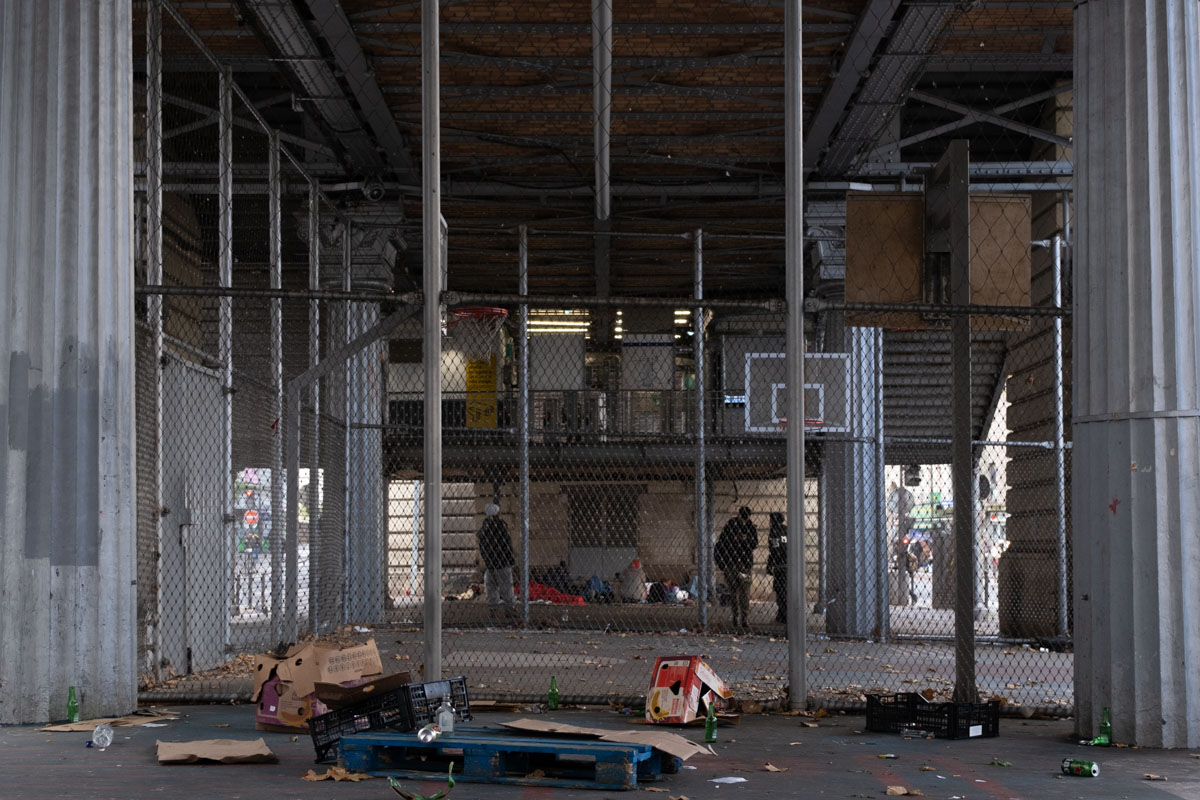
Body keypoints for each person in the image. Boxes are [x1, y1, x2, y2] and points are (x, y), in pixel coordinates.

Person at [715, 506, 758, 630]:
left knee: (744, 592)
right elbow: (720, 545)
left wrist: (745, 540)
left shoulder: (751, 528)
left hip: (744, 564)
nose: (744, 521)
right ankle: (735, 616)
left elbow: (754, 544)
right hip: (732, 564)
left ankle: (744, 617)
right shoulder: (730, 526)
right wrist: (722, 564)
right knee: (734, 592)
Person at [477, 503, 516, 619]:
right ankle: (510, 609)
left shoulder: (484, 529)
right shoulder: (501, 527)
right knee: (506, 586)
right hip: (502, 562)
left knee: (491, 587)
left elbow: (482, 546)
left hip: (490, 563)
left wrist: (487, 559)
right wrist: (510, 559)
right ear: (498, 513)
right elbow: (507, 545)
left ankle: (493, 609)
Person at [766, 511, 787, 624]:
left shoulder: (774, 531)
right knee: (786, 590)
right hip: (789, 564)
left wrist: (770, 564)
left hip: (779, 565)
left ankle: (783, 615)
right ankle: (784, 614)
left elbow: (774, 549)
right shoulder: (787, 530)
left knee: (780, 591)